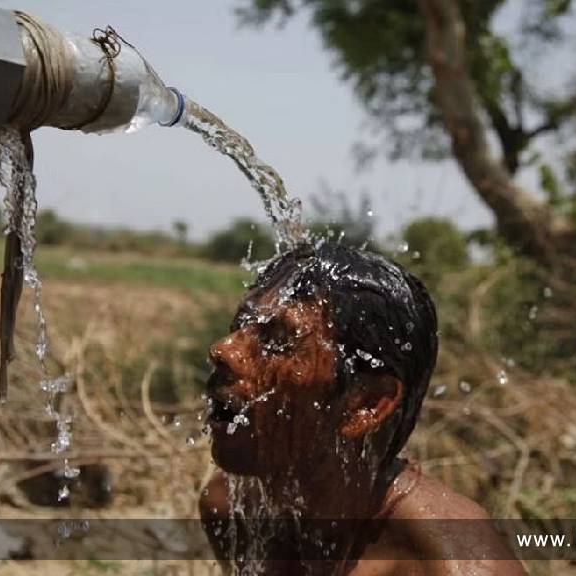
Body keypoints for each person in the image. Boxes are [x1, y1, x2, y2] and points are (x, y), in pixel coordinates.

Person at [199, 242, 525, 575]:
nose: (223, 350)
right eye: (242, 325)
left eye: (279, 339)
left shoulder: (457, 564)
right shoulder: (234, 508)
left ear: (365, 404)